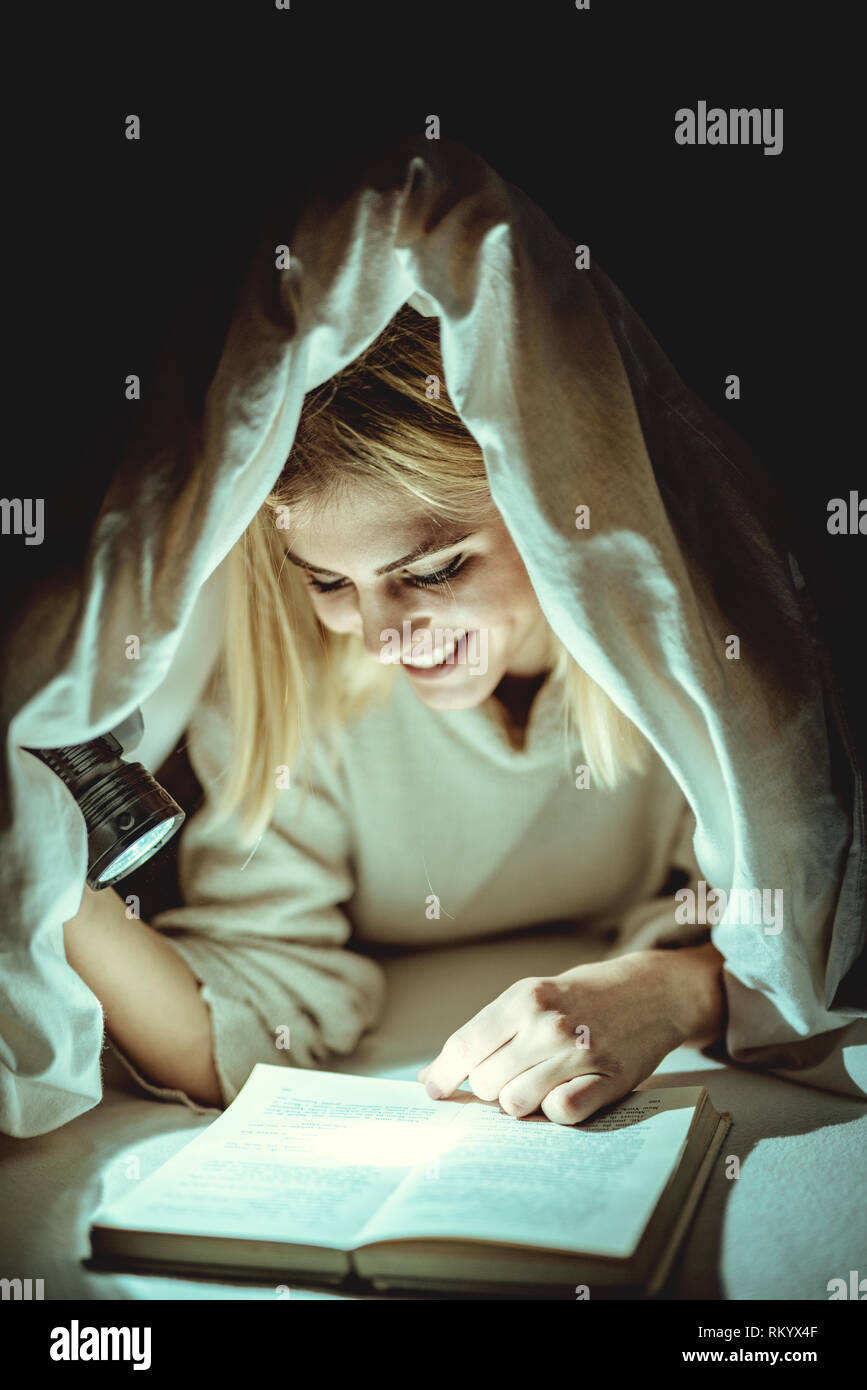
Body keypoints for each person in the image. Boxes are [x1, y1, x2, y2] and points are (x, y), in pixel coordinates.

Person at [62, 303, 726, 1123]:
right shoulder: (288, 692)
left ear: (556, 512)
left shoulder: (683, 656)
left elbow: (781, 936)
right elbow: (226, 1030)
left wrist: (664, 990)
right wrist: (56, 888)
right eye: (329, 583)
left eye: (437, 569)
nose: (379, 637)